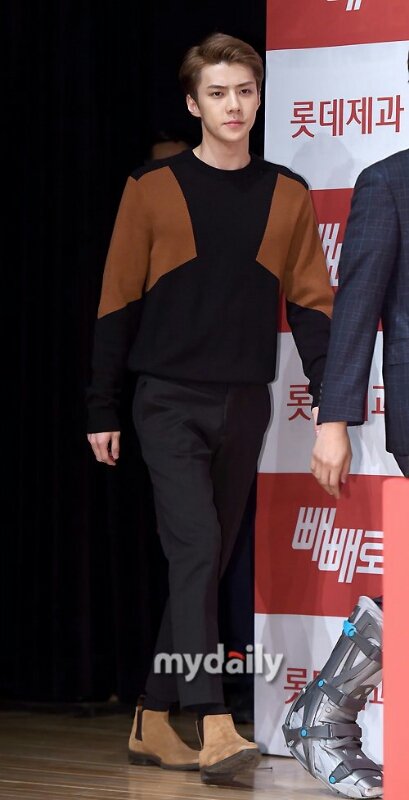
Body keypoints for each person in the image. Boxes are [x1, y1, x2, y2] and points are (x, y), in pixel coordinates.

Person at [86, 32, 333, 783]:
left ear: (259, 98)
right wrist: (102, 406)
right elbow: (116, 301)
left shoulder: (287, 193)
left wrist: (334, 410)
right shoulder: (151, 188)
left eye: (245, 91)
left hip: (245, 404)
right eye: (218, 93)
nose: (234, 106)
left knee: (206, 557)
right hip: (166, 400)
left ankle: (152, 716)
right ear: (194, 104)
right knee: (196, 549)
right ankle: (214, 721)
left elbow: (313, 309)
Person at [283, 144, 409, 799]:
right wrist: (332, 420)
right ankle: (323, 716)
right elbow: (356, 308)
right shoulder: (389, 181)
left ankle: (321, 715)